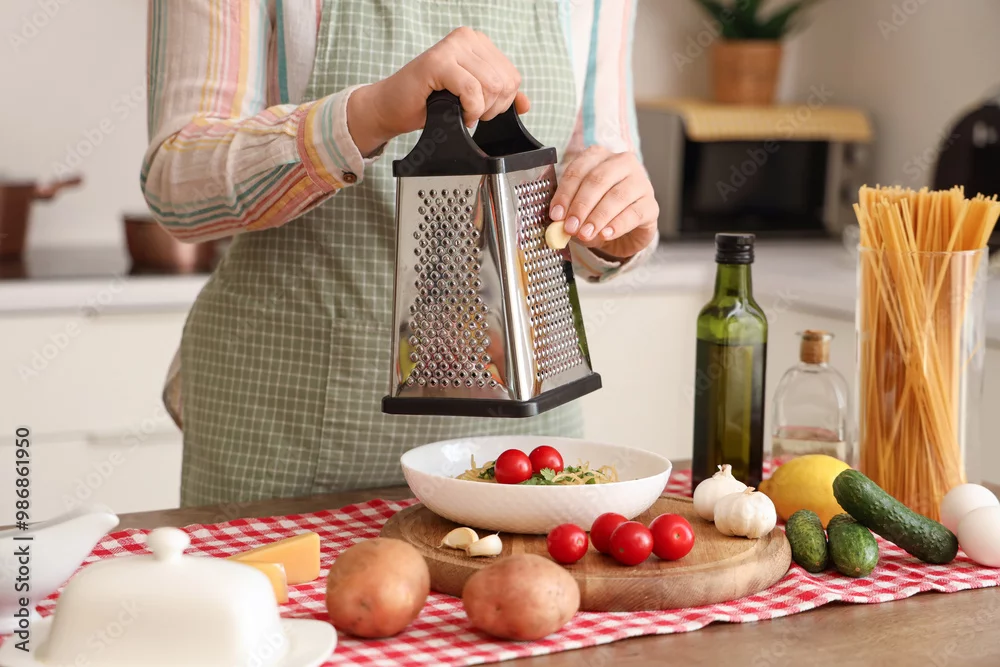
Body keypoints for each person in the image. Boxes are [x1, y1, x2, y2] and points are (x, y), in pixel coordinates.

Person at [143, 0, 659, 506]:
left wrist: (612, 230)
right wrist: (370, 113)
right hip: (287, 437)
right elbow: (176, 185)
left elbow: (587, 185)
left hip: (522, 444)